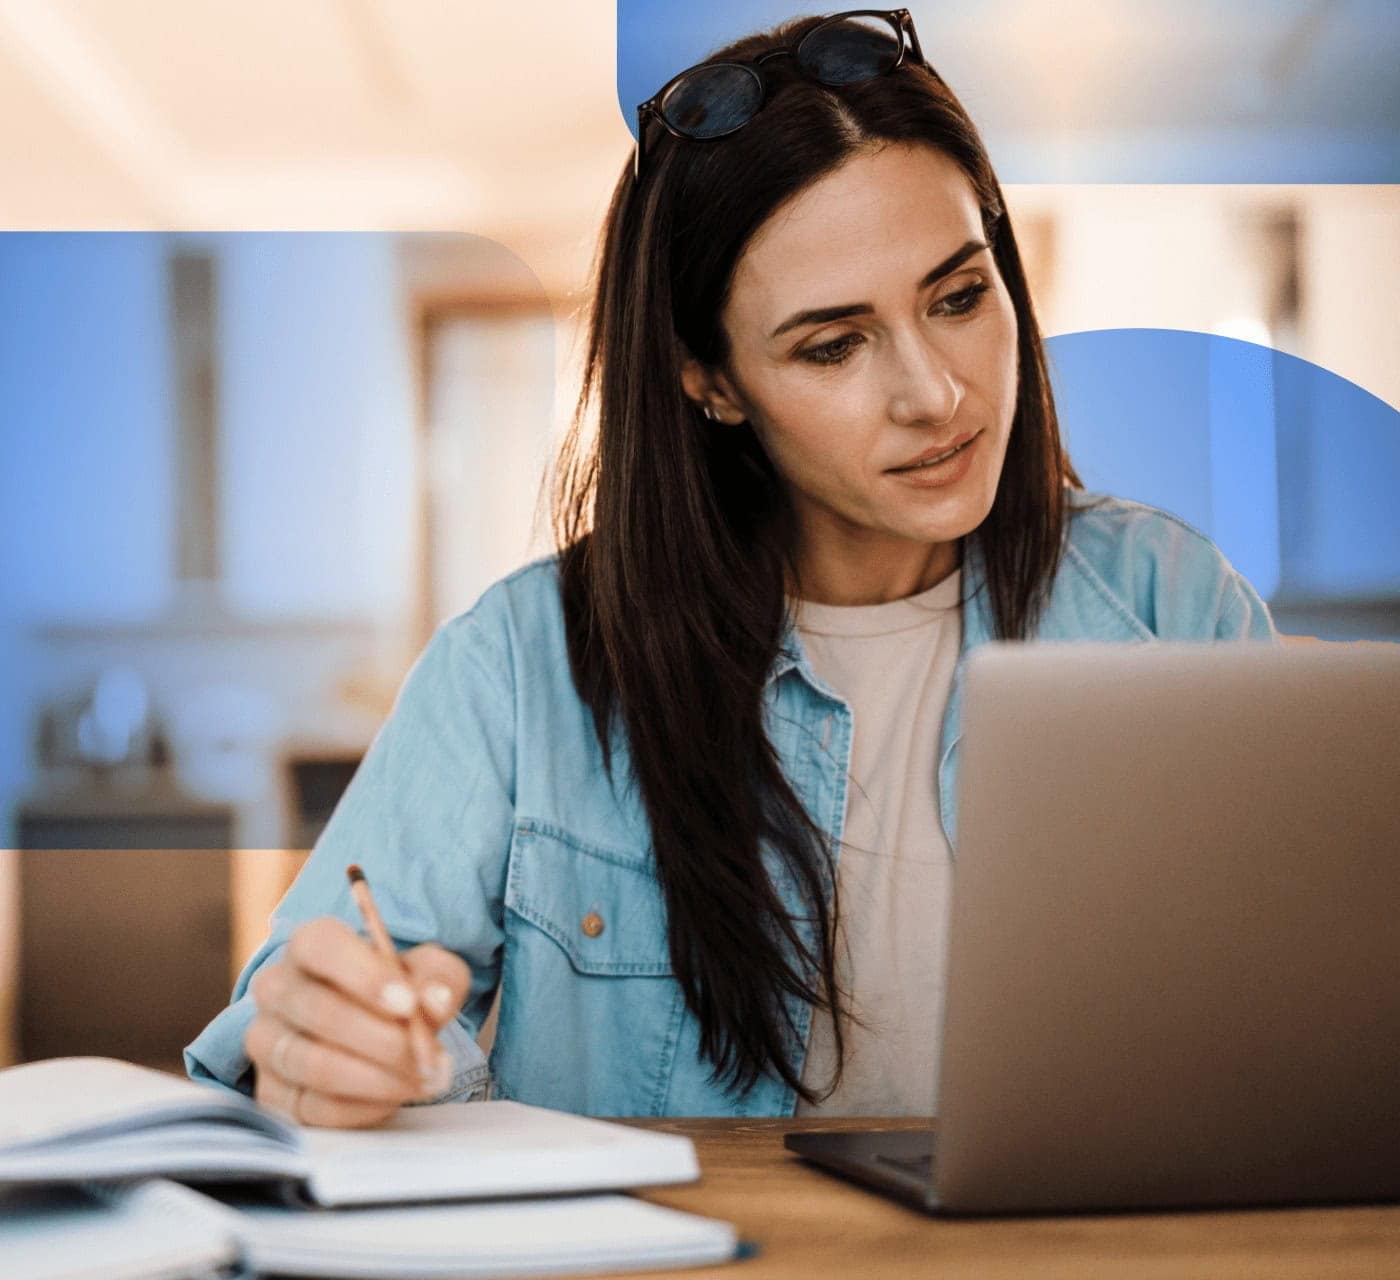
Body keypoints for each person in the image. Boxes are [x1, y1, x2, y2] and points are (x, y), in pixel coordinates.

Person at [185, 9, 1277, 1127]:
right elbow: (284, 1053)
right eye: (832, 344)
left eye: (957, 296)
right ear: (708, 380)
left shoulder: (1168, 601)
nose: (935, 393)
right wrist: (328, 1051)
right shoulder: (522, 665)